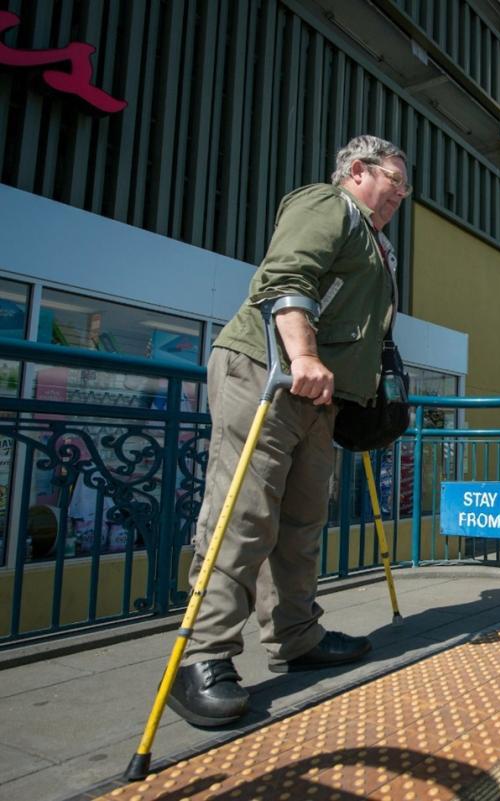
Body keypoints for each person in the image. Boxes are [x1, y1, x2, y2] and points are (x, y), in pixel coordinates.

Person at [168, 135, 411, 728]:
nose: (401, 196)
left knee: (302, 519)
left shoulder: (376, 244)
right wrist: (303, 354)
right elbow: (287, 276)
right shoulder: (328, 206)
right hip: (270, 371)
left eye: (405, 190)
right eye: (395, 183)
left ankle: (296, 635)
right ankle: (202, 655)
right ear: (358, 170)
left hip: (320, 397)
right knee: (244, 513)